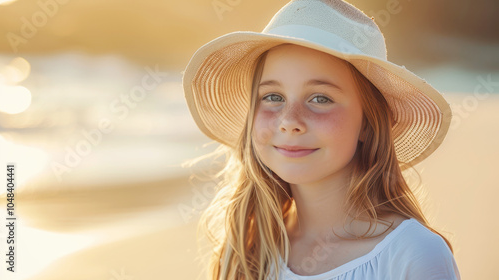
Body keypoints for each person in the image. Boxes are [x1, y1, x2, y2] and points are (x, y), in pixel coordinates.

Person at [182, 0, 460, 279]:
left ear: (368, 123)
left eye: (320, 98)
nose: (289, 121)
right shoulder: (247, 250)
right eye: (273, 97)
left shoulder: (412, 255)